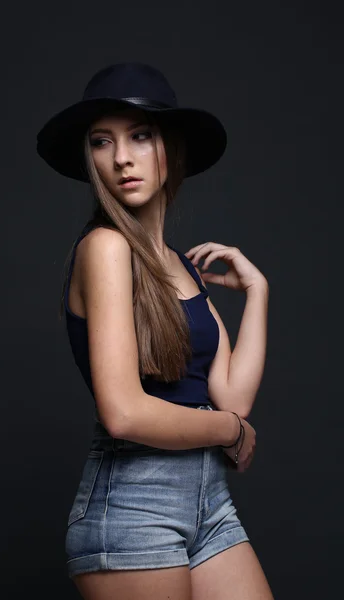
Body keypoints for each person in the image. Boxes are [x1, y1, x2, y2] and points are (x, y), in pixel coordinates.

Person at [36, 62, 273, 599]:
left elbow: (233, 396)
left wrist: (258, 292)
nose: (122, 157)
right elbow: (124, 412)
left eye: (140, 136)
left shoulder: (179, 264)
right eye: (103, 142)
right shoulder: (105, 247)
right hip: (133, 506)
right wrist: (228, 433)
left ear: (172, 147)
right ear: (90, 158)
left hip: (209, 504)